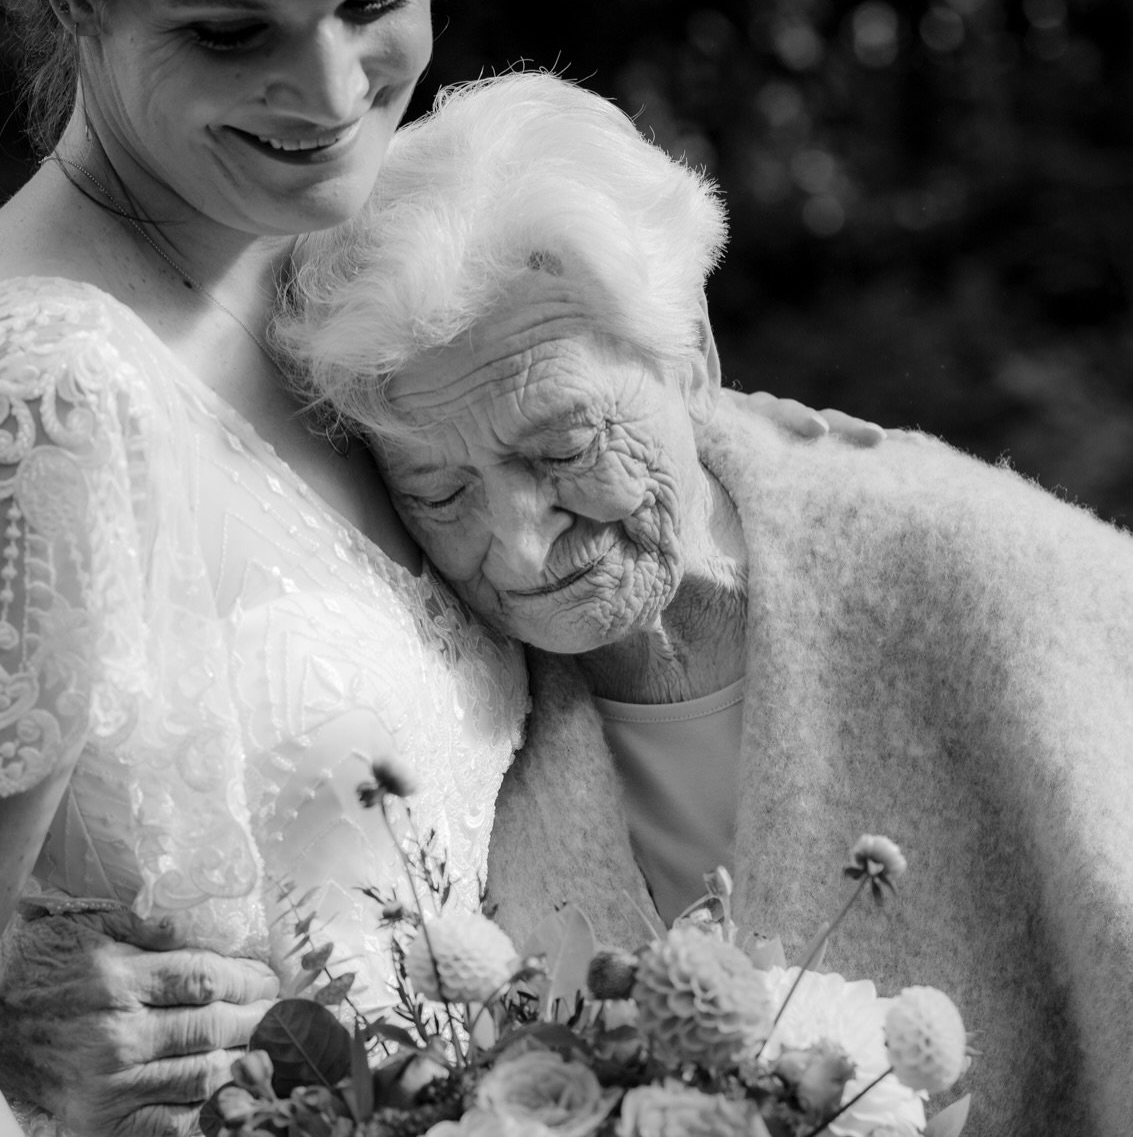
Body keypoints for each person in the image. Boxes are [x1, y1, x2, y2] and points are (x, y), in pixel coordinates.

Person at [0, 0, 867, 1137]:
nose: (334, 92)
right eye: (230, 33)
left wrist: (755, 459)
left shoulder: (320, 259)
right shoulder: (38, 389)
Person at [273, 71, 1133, 1137]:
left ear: (694, 365)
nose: (521, 540)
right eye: (439, 491)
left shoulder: (991, 587)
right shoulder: (430, 692)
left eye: (564, 447)